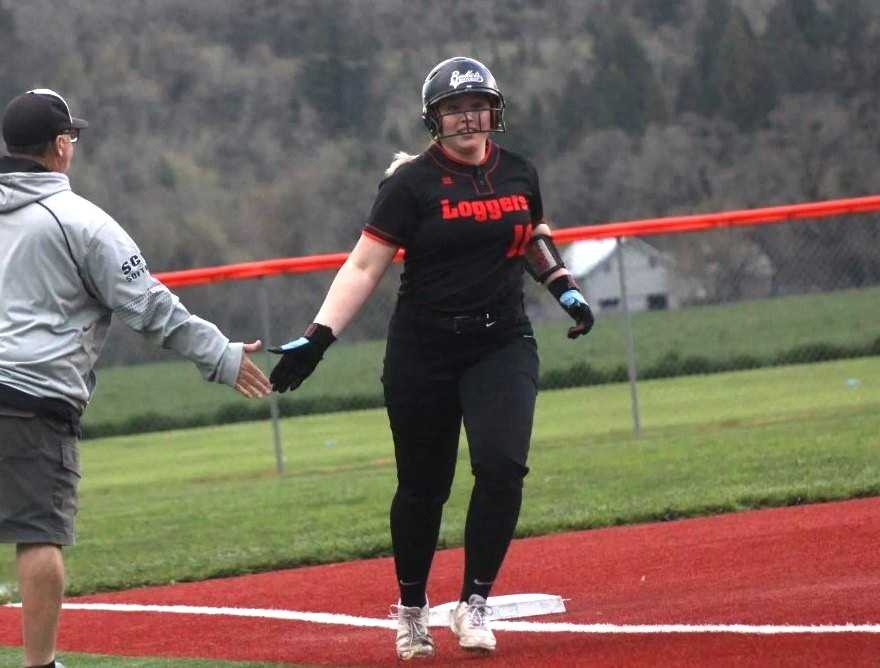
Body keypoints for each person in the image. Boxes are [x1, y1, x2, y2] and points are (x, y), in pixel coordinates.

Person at [269, 56, 593, 660]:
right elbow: (364, 266)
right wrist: (318, 337)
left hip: (502, 341)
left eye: (476, 106)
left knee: (501, 467)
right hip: (424, 349)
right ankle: (412, 609)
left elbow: (533, 237)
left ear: (495, 112)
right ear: (433, 120)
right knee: (424, 486)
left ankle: (474, 605)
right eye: (452, 109)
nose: (466, 118)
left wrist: (564, 286)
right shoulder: (409, 185)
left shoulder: (520, 171)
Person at [0, 89, 272, 668]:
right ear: (60, 147)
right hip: (33, 398)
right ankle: (40, 664)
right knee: (37, 534)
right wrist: (220, 356)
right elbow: (149, 308)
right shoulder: (82, 221)